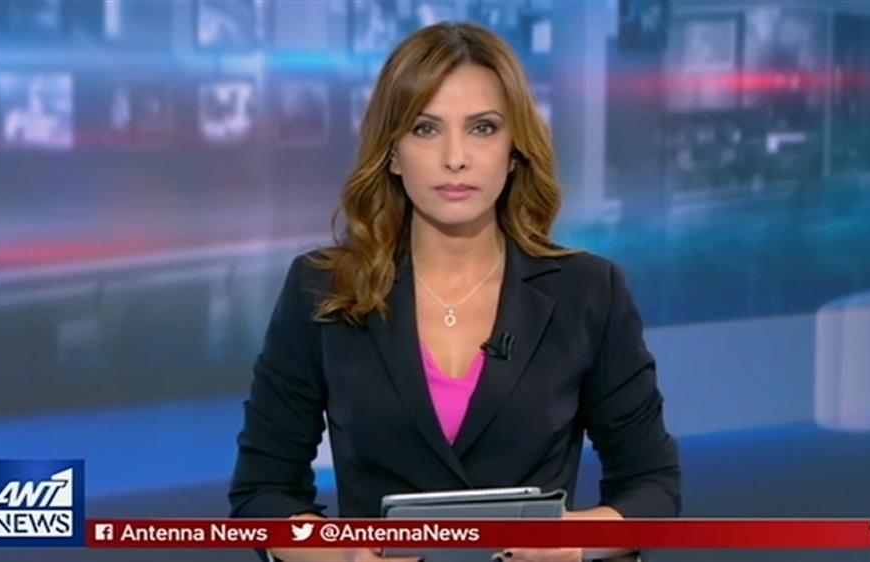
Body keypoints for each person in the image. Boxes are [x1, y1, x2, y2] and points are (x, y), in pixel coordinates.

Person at [229, 21, 681, 562]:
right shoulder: (322, 289)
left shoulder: (588, 291)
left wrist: (576, 540)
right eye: (425, 128)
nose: (455, 157)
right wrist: (346, 555)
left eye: (483, 128)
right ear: (392, 153)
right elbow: (263, 495)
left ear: (514, 150)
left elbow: (652, 487)